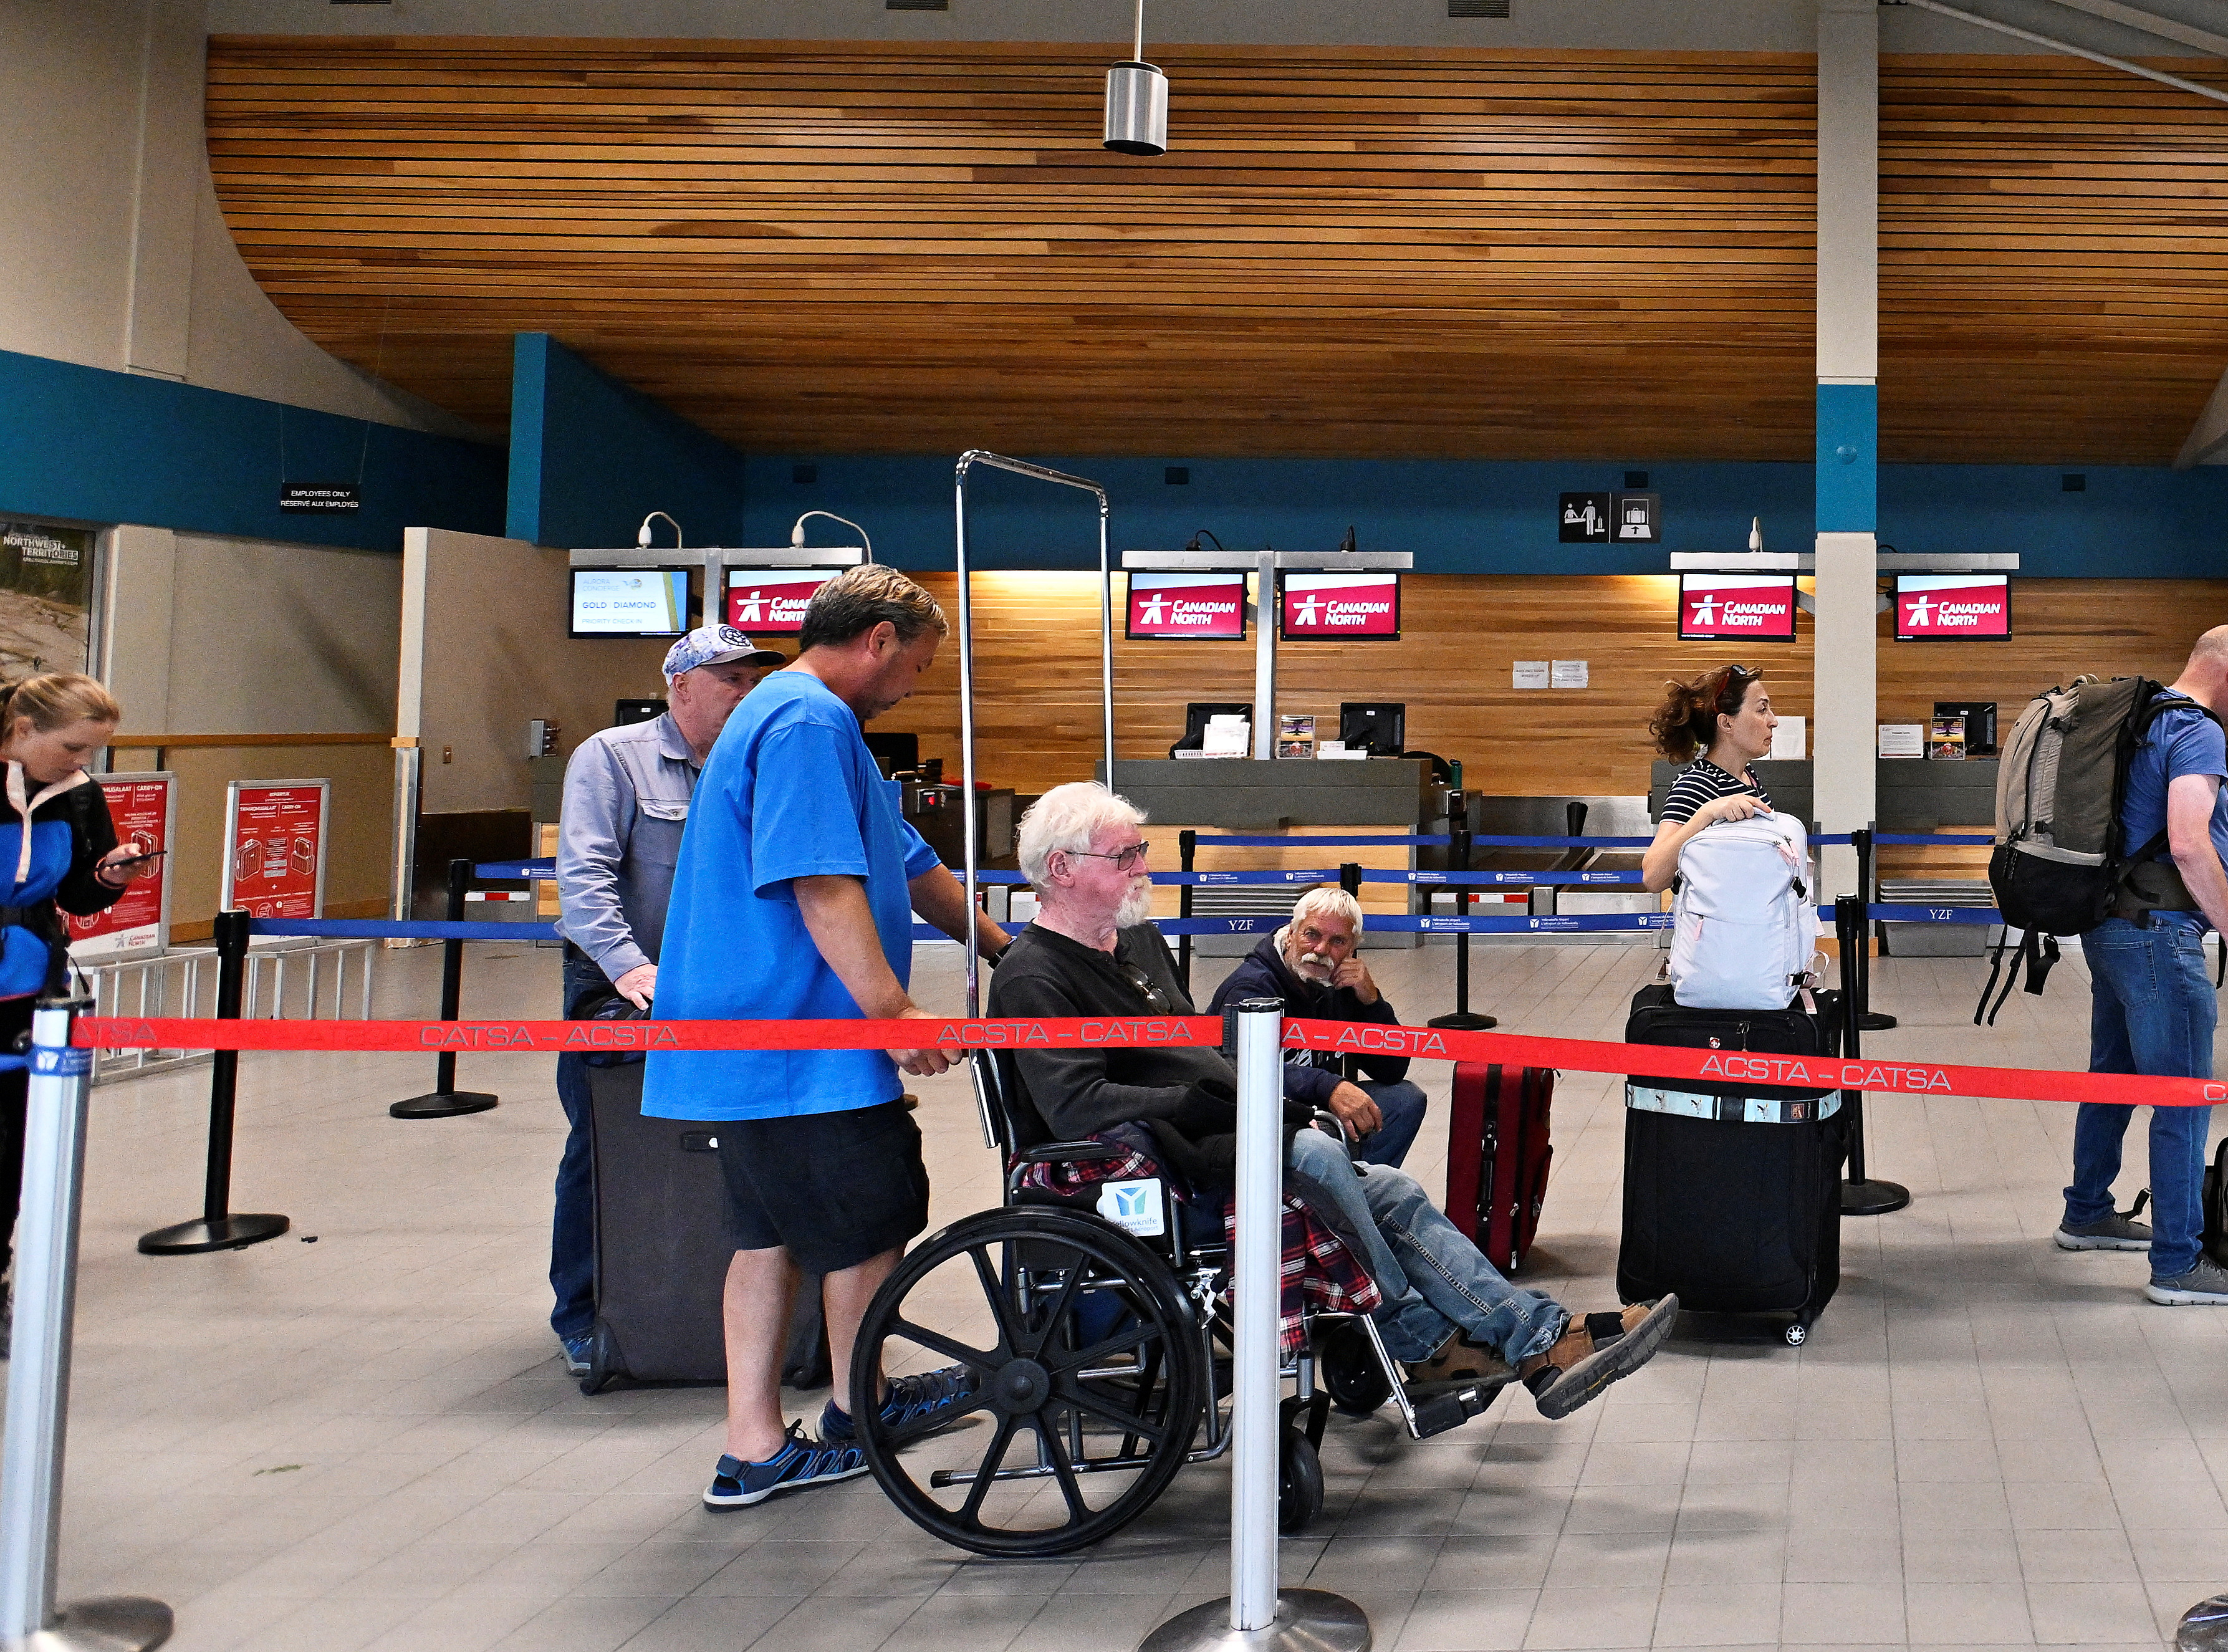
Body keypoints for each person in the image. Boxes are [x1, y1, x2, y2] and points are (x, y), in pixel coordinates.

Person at [994, 782, 1674, 1416]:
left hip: (1226, 1123)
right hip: (1158, 1163)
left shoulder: (1137, 941)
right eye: (1125, 855)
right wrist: (1190, 1103)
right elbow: (1076, 1106)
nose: (1143, 865)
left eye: (1141, 850)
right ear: (1061, 868)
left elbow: (1202, 1041)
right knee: (1320, 1153)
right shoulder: (1033, 976)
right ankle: (1420, 1340)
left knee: (1392, 1190)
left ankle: (1540, 1341)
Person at [646, 566, 1012, 1507]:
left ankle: (774, 1436)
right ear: (878, 638)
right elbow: (818, 879)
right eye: (916, 665)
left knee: (769, 1233)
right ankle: (847, 1416)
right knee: (867, 1224)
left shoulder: (809, 721)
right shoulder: (807, 722)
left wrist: (1010, 947)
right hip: (797, 1042)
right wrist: (891, 1013)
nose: (913, 685)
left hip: (759, 1044)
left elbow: (906, 858)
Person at [546, 624, 786, 1375]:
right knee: (605, 1143)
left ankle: (688, 1303)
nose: (747, 694)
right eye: (732, 680)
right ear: (680, 685)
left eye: (754, 680)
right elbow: (583, 878)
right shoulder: (611, 758)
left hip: (722, 988)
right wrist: (628, 968)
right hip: (622, 984)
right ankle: (584, 1313)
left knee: (728, 1147)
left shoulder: (751, 764)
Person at [2053, 626, 2228, 1307]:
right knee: (2182, 1096)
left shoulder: (2138, 721)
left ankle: (2086, 1209)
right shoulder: (2196, 731)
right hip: (2158, 937)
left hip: (2109, 923)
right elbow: (2186, 842)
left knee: (2112, 1077)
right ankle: (2178, 1261)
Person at [4, 672, 153, 1356]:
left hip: (30, 986)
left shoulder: (81, 795)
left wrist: (112, 873)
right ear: (23, 728)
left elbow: (79, 894)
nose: (80, 763)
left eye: (92, 751)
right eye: (70, 746)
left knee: (11, 1146)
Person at [1639, 663, 1834, 987]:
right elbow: (1653, 874)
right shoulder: (1697, 784)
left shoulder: (1747, 778)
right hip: (1720, 962)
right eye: (1762, 710)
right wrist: (1706, 814)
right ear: (1726, 723)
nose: (1773, 720)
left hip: (1756, 953)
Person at [1210, 887, 1426, 1166]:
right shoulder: (1250, 988)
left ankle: (1361, 1191)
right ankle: (1334, 1198)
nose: (1321, 950)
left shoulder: (1339, 982)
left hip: (1316, 1105)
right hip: (1262, 1117)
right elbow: (1237, 1072)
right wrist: (1329, 1086)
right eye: (1311, 935)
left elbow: (1392, 1069)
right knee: (1321, 1139)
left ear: (1352, 949)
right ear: (1291, 933)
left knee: (1405, 1100)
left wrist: (1371, 1001)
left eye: (1337, 941)